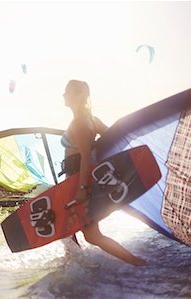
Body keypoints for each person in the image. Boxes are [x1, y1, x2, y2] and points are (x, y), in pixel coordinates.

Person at [60, 80, 146, 266]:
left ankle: (136, 262)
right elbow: (113, 138)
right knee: (68, 227)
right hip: (76, 178)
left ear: (78, 95)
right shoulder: (91, 120)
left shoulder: (81, 123)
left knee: (91, 234)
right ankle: (73, 262)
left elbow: (84, 157)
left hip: (78, 179)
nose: (63, 95)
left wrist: (82, 188)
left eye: (67, 92)